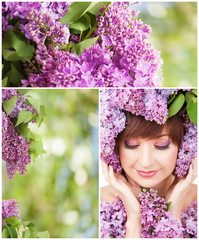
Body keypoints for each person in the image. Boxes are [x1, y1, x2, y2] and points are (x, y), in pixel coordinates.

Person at [100, 89, 197, 238]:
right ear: (115, 146)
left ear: (183, 145)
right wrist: (134, 220)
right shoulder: (99, 204)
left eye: (162, 145)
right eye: (132, 144)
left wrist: (173, 215)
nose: (146, 162)